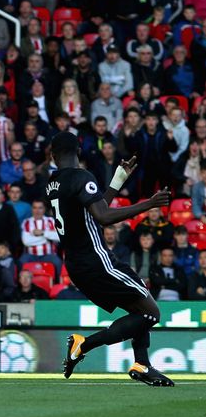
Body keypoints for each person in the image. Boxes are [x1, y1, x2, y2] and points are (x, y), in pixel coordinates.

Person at [48, 132, 173, 386]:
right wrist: (149, 204)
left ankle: (142, 364)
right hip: (98, 261)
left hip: (77, 266)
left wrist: (117, 180)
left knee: (138, 310)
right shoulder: (82, 177)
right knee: (151, 313)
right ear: (79, 151)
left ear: (52, 156)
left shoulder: (53, 184)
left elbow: (94, 210)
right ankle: (84, 345)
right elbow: (103, 217)